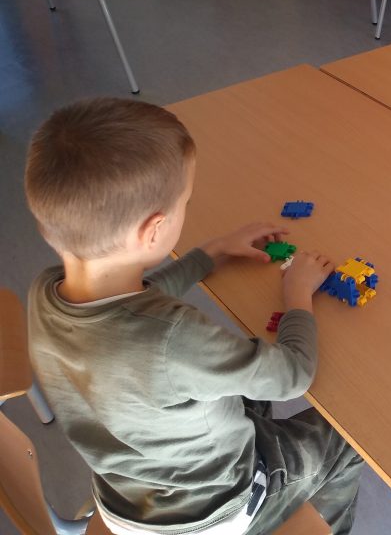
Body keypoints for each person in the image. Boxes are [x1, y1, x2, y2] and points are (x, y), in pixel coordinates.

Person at [24, 97, 363, 535]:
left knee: (247, 398)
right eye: (185, 200)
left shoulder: (45, 293)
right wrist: (297, 293)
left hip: (128, 496)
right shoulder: (174, 339)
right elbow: (292, 376)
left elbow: (127, 309)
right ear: (154, 230)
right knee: (350, 442)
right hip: (214, 507)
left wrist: (209, 254)